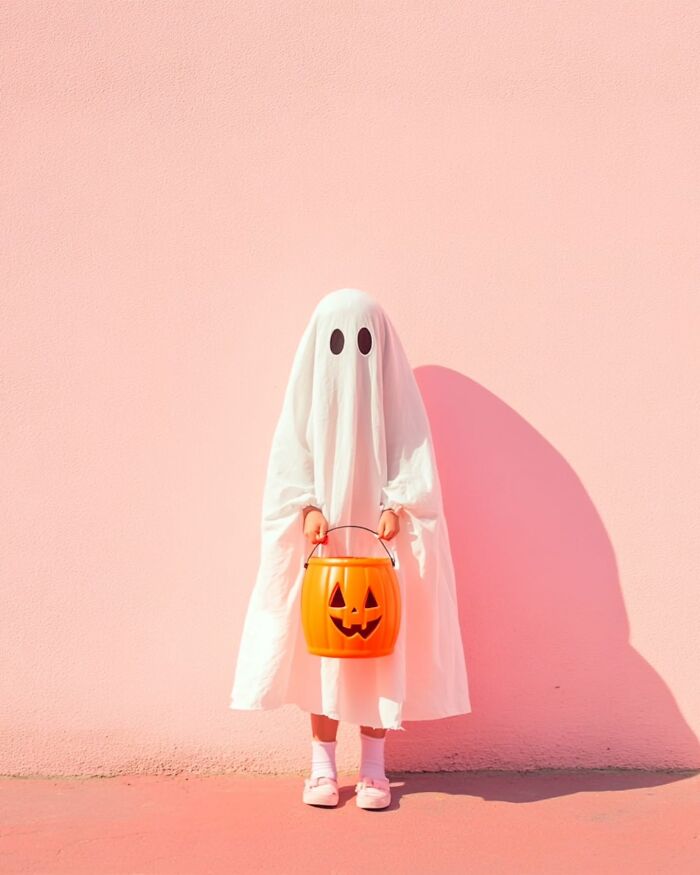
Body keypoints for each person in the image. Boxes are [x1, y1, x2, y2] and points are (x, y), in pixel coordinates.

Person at [230, 288, 471, 810]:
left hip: (379, 542)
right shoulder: (305, 399)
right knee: (323, 650)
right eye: (337, 341)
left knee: (377, 649)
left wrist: (397, 506)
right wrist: (308, 507)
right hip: (325, 537)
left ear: (381, 346)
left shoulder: (397, 399)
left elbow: (412, 455)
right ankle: (320, 767)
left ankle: (374, 771)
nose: (350, 355)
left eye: (363, 341)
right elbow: (290, 458)